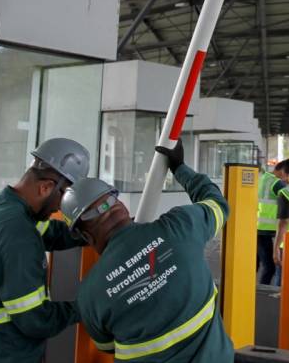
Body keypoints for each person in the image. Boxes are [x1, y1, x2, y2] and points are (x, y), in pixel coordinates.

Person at [60, 140, 233, 363]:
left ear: (86, 236)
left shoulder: (89, 296)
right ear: (122, 206)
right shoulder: (181, 227)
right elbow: (218, 204)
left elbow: (107, 346)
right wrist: (179, 167)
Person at [0, 137, 90, 363]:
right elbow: (36, 321)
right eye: (65, 197)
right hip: (1, 355)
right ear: (46, 187)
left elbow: (50, 233)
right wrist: (84, 307)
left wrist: (94, 230)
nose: (61, 208)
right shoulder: (17, 233)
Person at [256, 162, 286, 285]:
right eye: (285, 173)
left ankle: (254, 292)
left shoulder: (263, 179)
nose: (286, 177)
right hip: (269, 229)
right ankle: (264, 293)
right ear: (281, 170)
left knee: (260, 264)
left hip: (259, 228)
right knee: (270, 267)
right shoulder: (275, 182)